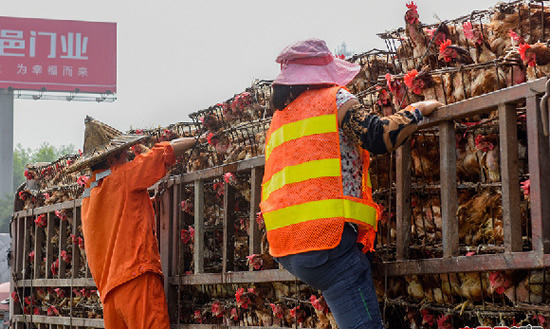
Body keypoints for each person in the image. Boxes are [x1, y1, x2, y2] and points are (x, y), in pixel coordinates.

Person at [259, 39, 442, 329]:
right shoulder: (333, 99)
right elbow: (378, 136)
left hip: (287, 246)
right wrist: (417, 110)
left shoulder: (279, 119)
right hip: (325, 243)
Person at [67, 116, 198, 329]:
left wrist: (150, 203)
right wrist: (197, 140)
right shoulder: (121, 177)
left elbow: (119, 215)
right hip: (136, 281)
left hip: (110, 295)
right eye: (125, 155)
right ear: (111, 159)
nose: (128, 159)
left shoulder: (89, 194)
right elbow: (164, 153)